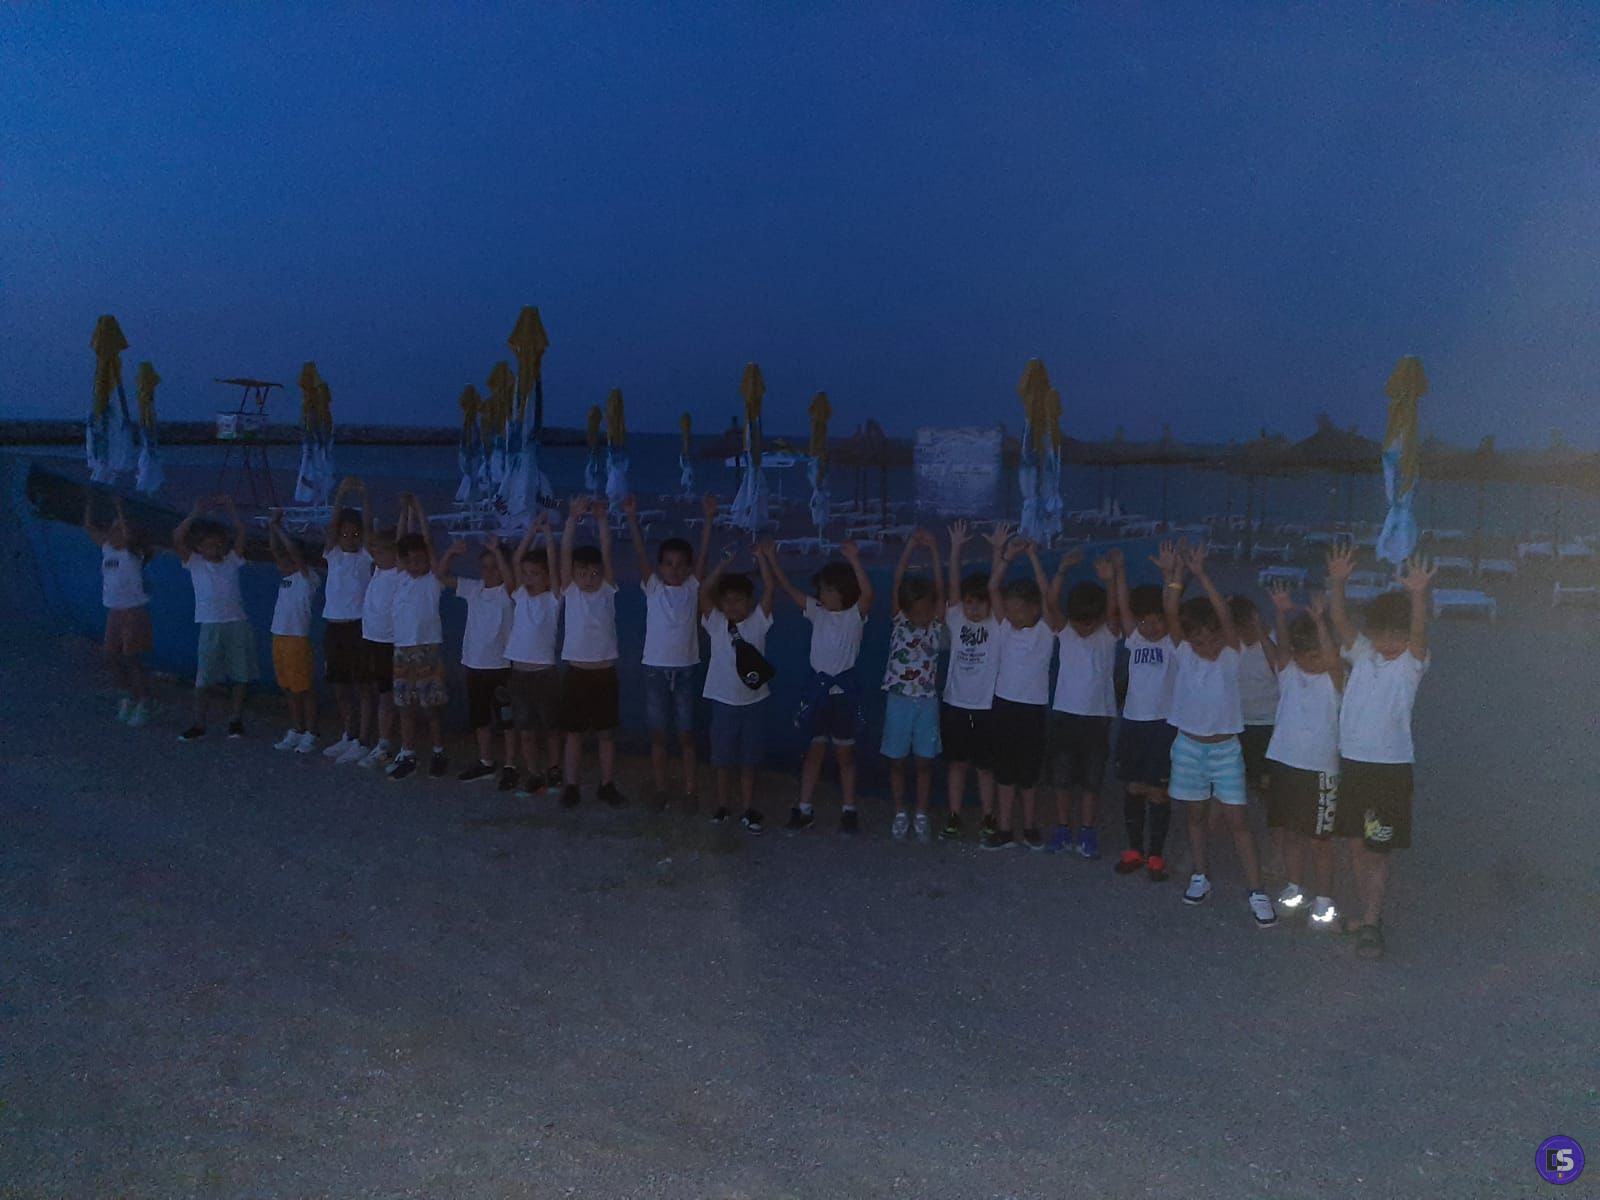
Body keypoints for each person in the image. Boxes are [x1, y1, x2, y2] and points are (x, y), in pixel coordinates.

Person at [1158, 541, 1276, 927]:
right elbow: (1171, 612)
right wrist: (1175, 578)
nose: (1206, 645)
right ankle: (1200, 875)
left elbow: (1224, 616)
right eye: (1198, 639)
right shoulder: (1184, 653)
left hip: (1225, 749)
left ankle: (1257, 890)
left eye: (1212, 638)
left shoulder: (1230, 656)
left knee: (1238, 821)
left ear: (1223, 638)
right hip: (1188, 747)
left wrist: (1202, 574)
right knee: (1195, 816)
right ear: (1188, 639)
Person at [1326, 542, 1434, 959]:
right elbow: (1339, 620)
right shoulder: (1363, 652)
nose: (1389, 642)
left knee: (1377, 849)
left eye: (1397, 635)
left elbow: (1419, 633)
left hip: (1388, 770)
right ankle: (1367, 914)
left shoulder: (1412, 662)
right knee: (1356, 845)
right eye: (1382, 634)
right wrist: (1338, 582)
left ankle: (1371, 920)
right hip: (1355, 765)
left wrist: (1418, 595)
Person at [767, 540, 875, 833]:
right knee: (813, 751)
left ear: (844, 592)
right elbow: (789, 589)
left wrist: (854, 559)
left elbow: (868, 594)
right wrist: (772, 559)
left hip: (843, 695)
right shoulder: (817, 611)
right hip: (817, 691)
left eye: (828, 589)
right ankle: (804, 808)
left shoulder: (855, 616)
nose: (821, 595)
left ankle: (849, 809)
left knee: (845, 755)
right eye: (821, 590)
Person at [623, 492, 715, 810]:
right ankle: (661, 788)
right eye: (668, 564)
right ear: (660, 567)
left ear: (688, 568)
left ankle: (690, 790)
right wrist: (631, 518)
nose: (675, 569)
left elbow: (704, 554)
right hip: (655, 670)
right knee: (659, 735)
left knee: (687, 736)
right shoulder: (653, 588)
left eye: (680, 564)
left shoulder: (692, 587)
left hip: (686, 669)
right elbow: (639, 552)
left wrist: (709, 519)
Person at [1263, 582, 1345, 928]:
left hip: (1320, 771)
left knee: (1320, 840)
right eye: (1307, 656)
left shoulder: (1335, 678)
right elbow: (1283, 646)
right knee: (1290, 832)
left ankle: (1324, 898)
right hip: (1285, 764)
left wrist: (1321, 621)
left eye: (1320, 654)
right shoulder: (1288, 671)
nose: (1316, 662)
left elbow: (1332, 658)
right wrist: (1281, 612)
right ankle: (1295, 886)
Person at [981, 525, 1055, 851]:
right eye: (1009, 610)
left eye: (1019, 609)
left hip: (1031, 709)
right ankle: (1005, 829)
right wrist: (1007, 557)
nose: (1012, 615)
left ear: (1034, 609)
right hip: (1004, 706)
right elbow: (992, 586)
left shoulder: (1045, 631)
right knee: (1004, 772)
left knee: (1028, 774)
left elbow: (1047, 595)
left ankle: (1030, 826)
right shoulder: (1004, 628)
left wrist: (1034, 558)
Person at [1045, 548, 1121, 859]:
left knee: (1092, 780)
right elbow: (1051, 604)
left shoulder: (1108, 634)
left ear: (1100, 618)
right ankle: (1062, 828)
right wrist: (1061, 570)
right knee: (1061, 778)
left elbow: (1114, 609)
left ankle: (1088, 831)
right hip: (1065, 716)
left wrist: (1110, 581)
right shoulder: (1065, 631)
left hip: (1097, 718)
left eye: (1089, 622)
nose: (1083, 627)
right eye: (1078, 621)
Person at [1110, 558, 1178, 881]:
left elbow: (1171, 604)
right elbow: (1124, 605)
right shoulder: (1134, 639)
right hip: (1132, 724)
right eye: (1144, 621)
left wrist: (1168, 575)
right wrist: (1121, 571)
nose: (1151, 627)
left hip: (1163, 727)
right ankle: (1134, 849)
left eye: (1157, 621)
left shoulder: (1173, 643)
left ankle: (1156, 855)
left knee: (1158, 792)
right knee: (1134, 787)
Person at [703, 541, 778, 831]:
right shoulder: (716, 623)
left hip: (754, 703)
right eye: (727, 600)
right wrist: (723, 564)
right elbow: (703, 592)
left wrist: (763, 560)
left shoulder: (758, 622)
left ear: (749, 601)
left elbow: (770, 590)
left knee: (749, 760)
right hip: (723, 702)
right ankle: (722, 806)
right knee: (722, 760)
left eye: (739, 600)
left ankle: (748, 808)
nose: (733, 605)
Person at [559, 495, 625, 809]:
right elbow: (565, 552)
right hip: (577, 673)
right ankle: (571, 785)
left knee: (606, 734)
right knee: (574, 733)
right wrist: (572, 519)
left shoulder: (608, 589)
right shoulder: (570, 590)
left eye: (595, 573)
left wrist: (601, 519)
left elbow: (607, 551)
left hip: (605, 673)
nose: (589, 578)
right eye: (583, 572)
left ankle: (607, 784)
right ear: (574, 574)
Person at [173, 494, 256, 741]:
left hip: (236, 622)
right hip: (210, 624)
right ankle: (199, 722)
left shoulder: (232, 560)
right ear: (199, 547)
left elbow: (241, 531)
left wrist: (230, 507)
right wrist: (195, 512)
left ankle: (235, 719)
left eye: (219, 544)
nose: (215, 549)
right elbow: (177, 537)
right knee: (204, 677)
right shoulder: (195, 563)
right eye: (209, 545)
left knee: (241, 674)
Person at [881, 529, 945, 844]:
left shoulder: (936, 625)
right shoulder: (899, 621)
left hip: (927, 701)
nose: (922, 616)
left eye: (927, 610)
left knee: (924, 762)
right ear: (906, 610)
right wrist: (909, 547)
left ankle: (921, 813)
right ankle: (899, 812)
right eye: (916, 611)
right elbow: (897, 582)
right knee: (896, 761)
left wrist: (933, 550)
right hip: (899, 700)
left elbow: (941, 588)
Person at [495, 513, 565, 797]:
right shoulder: (520, 595)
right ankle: (534, 773)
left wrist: (547, 534)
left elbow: (554, 565)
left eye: (535, 574)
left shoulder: (553, 599)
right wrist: (532, 531)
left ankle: (554, 769)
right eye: (525, 574)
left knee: (551, 727)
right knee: (524, 728)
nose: (528, 578)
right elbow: (516, 561)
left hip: (544, 673)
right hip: (519, 673)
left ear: (547, 577)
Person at [939, 520, 1001, 841]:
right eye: (969, 601)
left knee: (985, 767)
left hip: (986, 705)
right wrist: (955, 548)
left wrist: (997, 551)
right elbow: (953, 585)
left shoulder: (997, 624)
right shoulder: (956, 617)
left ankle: (989, 816)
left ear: (990, 602)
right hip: (956, 703)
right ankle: (954, 815)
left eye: (980, 601)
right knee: (957, 764)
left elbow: (995, 584)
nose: (973, 607)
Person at [441, 534, 516, 788]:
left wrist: (498, 553)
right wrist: (451, 552)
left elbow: (510, 581)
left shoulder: (509, 593)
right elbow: (441, 576)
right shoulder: (473, 589)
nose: (490, 572)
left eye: (495, 566)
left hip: (502, 667)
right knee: (480, 718)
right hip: (474, 665)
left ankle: (511, 765)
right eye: (485, 567)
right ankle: (486, 762)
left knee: (507, 720)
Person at [385, 494, 449, 781]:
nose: (415, 564)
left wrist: (419, 509)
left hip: (426, 649)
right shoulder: (400, 577)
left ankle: (438, 751)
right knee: (405, 705)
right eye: (409, 560)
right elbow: (402, 541)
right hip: (402, 650)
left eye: (419, 559)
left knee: (430, 705)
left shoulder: (433, 580)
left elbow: (427, 542)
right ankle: (408, 753)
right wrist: (405, 510)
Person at [83, 489, 154, 726]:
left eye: (118, 529)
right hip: (114, 610)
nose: (112, 533)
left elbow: (126, 533)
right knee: (110, 655)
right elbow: (89, 527)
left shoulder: (133, 554)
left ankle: (144, 702)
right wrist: (90, 502)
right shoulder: (108, 549)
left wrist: (119, 507)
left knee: (131, 657)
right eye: (112, 529)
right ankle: (127, 695)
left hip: (133, 611)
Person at [319, 477, 375, 764]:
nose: (349, 539)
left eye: (354, 534)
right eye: (345, 534)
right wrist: (340, 494)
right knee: (340, 684)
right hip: (335, 627)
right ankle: (349, 734)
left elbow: (368, 527)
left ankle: (364, 740)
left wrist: (363, 497)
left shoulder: (365, 556)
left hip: (358, 627)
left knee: (363, 684)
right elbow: (331, 525)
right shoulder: (333, 555)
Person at [265, 510, 323, 754]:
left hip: (297, 639)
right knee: (288, 687)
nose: (280, 562)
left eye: (286, 558)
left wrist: (278, 528)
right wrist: (272, 528)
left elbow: (292, 553)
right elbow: (276, 550)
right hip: (278, 636)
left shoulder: (307, 577)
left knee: (303, 687)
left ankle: (311, 731)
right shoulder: (287, 577)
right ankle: (296, 728)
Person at [354, 504, 406, 769]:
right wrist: (364, 499)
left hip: (390, 642)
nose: (375, 555)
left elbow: (402, 537)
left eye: (381, 551)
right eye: (374, 552)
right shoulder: (377, 570)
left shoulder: (399, 572)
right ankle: (373, 740)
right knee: (376, 690)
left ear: (396, 553)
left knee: (389, 695)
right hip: (371, 639)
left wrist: (406, 510)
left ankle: (386, 744)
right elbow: (368, 535)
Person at [1230, 594, 1280, 797]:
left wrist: (1260, 632)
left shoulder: (1275, 640)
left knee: (1269, 783)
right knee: (1249, 781)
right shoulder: (1231, 643)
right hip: (1240, 724)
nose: (1243, 632)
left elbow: (1279, 668)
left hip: (1270, 724)